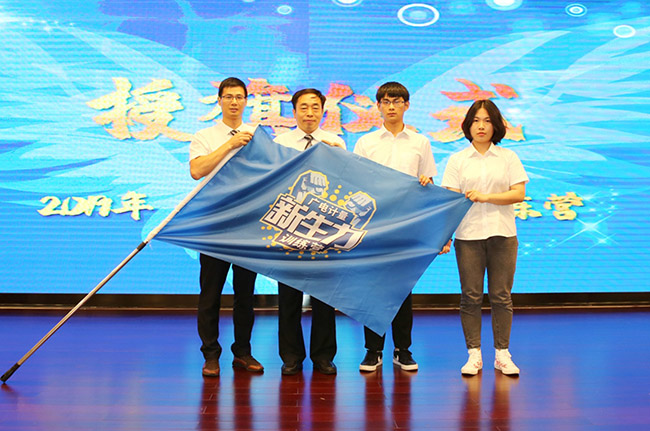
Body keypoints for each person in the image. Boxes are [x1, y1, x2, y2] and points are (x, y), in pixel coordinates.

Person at [354, 81, 445, 373]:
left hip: (408, 226)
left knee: (403, 289)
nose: (391, 107)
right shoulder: (366, 142)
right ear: (378, 106)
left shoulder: (420, 142)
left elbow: (429, 184)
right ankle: (373, 350)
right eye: (386, 101)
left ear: (407, 105)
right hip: (375, 225)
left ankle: (402, 349)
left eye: (397, 101)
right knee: (372, 290)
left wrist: (425, 184)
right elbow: (357, 183)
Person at [441, 99, 528, 376]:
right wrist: (445, 236)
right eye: (476, 120)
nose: (481, 126)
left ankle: (502, 354)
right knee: (470, 296)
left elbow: (519, 194)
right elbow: (451, 202)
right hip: (468, 235)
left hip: (503, 234)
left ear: (496, 126)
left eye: (487, 121)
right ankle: (474, 354)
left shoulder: (508, 157)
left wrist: (485, 197)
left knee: (501, 296)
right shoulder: (457, 160)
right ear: (468, 125)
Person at [189, 77, 263, 377]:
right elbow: (197, 170)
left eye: (239, 97)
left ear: (246, 101)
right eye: (228, 96)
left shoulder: (259, 136)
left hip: (248, 226)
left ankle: (242, 352)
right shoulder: (205, 135)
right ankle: (210, 354)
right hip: (214, 224)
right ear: (219, 100)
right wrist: (230, 144)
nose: (234, 102)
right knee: (211, 293)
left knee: (246, 295)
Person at [273, 88, 346, 375]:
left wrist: (337, 155)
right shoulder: (281, 143)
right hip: (290, 226)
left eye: (315, 107)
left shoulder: (335, 142)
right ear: (293, 112)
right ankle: (291, 356)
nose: (309, 113)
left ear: (323, 111)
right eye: (303, 107)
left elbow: (345, 183)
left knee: (324, 298)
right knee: (288, 297)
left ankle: (323, 356)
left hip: (324, 229)